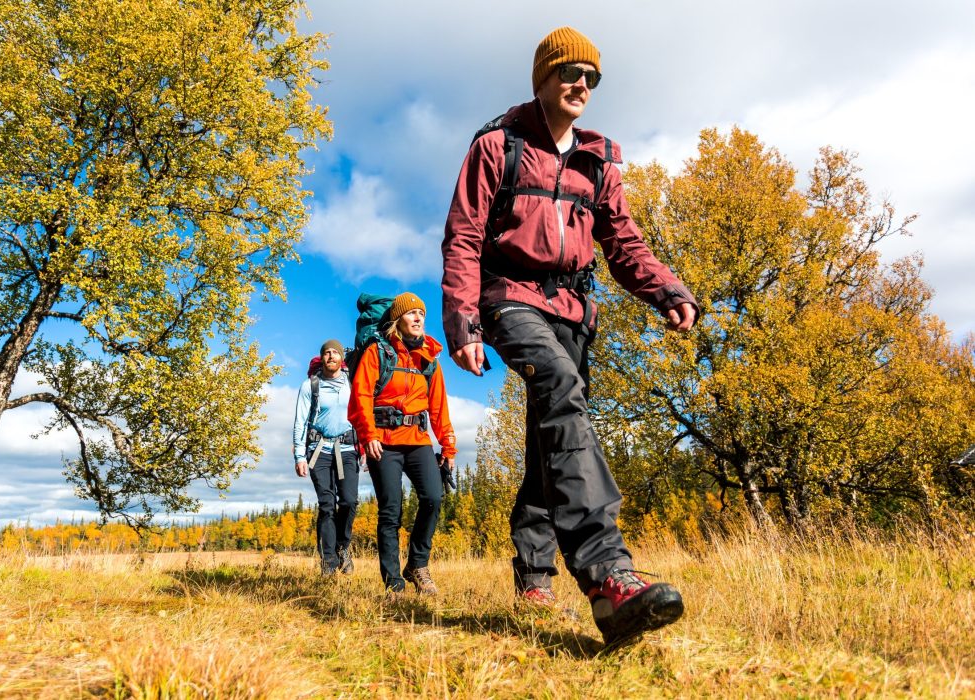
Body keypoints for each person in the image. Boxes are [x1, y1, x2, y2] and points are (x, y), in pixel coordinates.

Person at [441, 26, 699, 645]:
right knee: (558, 389)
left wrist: (666, 288)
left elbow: (622, 241)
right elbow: (464, 237)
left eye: (592, 77)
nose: (581, 84)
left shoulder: (600, 157)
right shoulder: (497, 147)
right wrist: (464, 323)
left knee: (548, 436)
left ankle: (534, 579)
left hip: (573, 309)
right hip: (507, 298)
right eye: (569, 73)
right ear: (543, 78)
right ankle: (609, 576)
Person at [348, 293, 457, 597]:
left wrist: (448, 446)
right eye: (412, 313)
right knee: (390, 511)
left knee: (434, 497)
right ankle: (393, 582)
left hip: (418, 440)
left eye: (422, 313)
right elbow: (361, 396)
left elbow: (438, 409)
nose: (419, 318)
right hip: (383, 442)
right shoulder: (378, 352)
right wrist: (368, 435)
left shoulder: (429, 359)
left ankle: (417, 565)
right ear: (398, 320)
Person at [293, 339, 360, 575]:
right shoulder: (310, 386)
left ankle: (343, 547)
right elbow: (300, 422)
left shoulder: (352, 383)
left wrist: (367, 448)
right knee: (326, 505)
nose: (331, 356)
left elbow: (362, 416)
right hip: (318, 451)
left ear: (342, 358)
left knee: (349, 502)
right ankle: (329, 563)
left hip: (349, 450)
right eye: (326, 353)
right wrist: (299, 456)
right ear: (321, 358)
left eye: (335, 353)